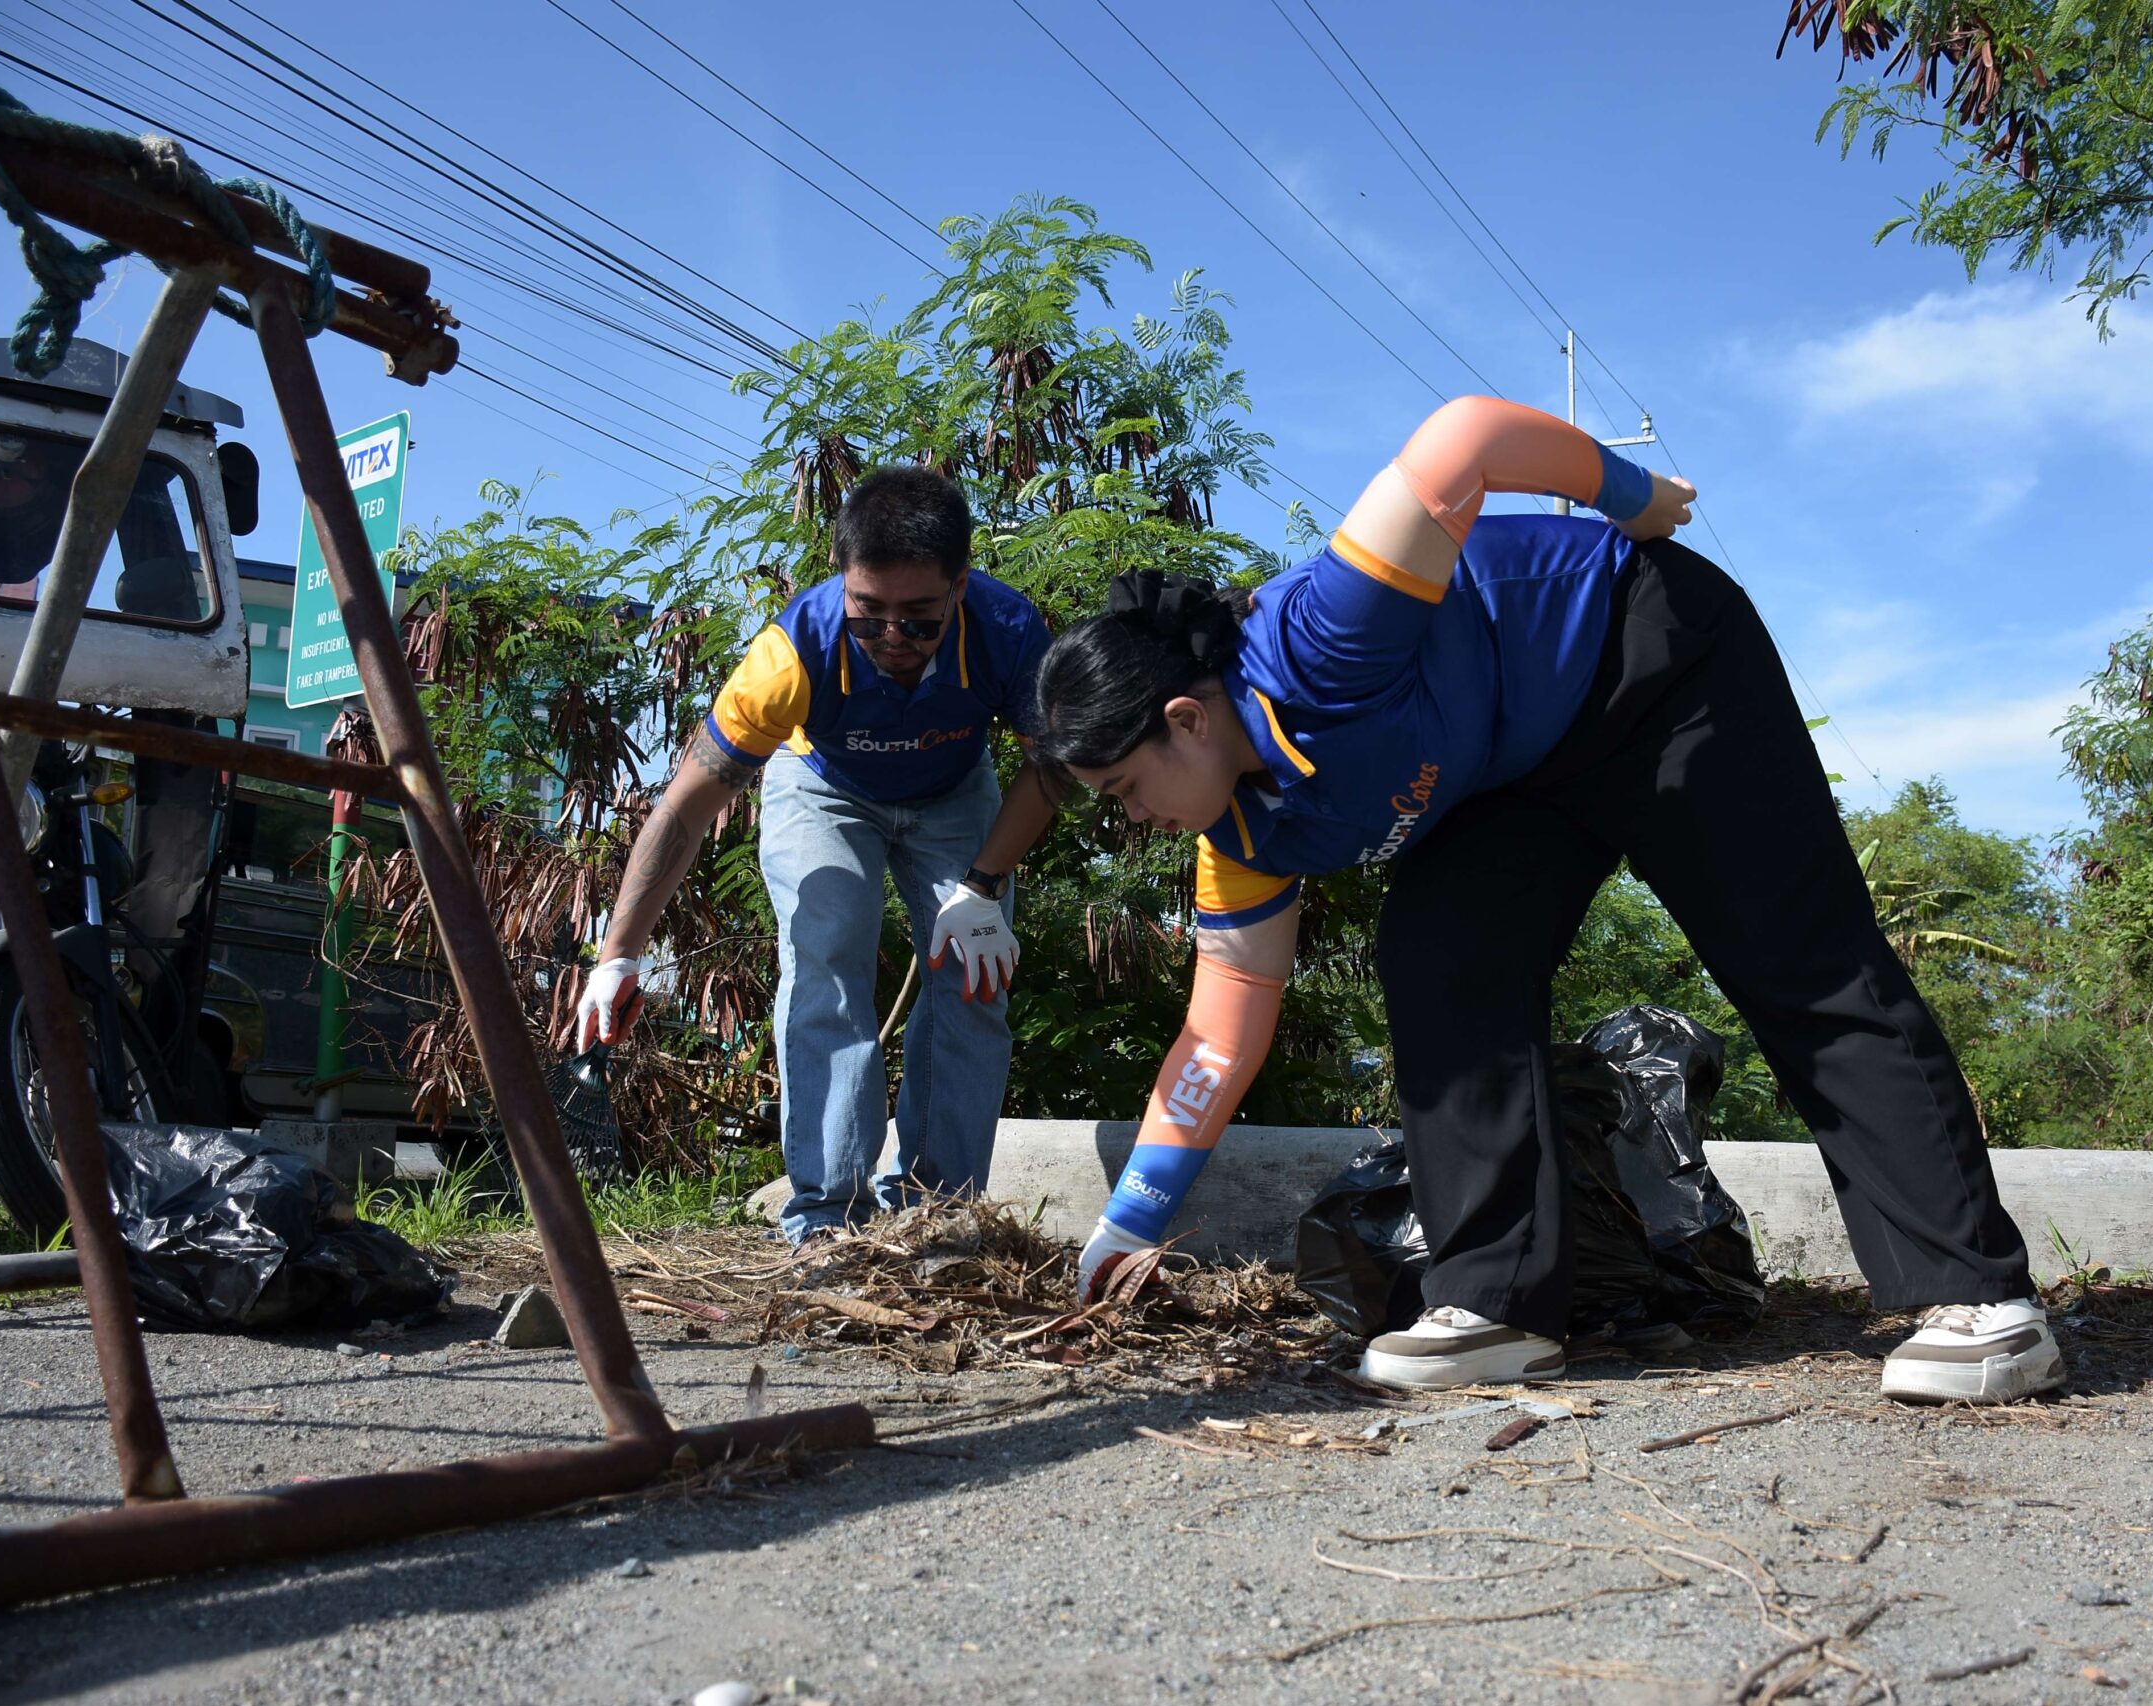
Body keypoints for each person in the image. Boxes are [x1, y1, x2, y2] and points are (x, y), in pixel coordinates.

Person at [1030, 396, 2063, 1403]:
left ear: (1184, 719)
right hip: (1520, 767)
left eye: (1125, 791)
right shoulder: (1244, 837)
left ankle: (1980, 1299)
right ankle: (1496, 1304)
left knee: (1792, 953)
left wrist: (1633, 494)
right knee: (1441, 952)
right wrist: (1131, 1221)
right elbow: (1216, 1042)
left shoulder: (1317, 639)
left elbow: (1463, 440)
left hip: (1653, 663)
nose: (1134, 824)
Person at [574, 467, 1059, 1244]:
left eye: (919, 618)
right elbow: (684, 809)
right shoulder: (790, 655)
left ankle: (938, 1214)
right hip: (825, 785)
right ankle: (826, 1213)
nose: (892, 637)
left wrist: (980, 887)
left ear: (959, 588)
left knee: (976, 973)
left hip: (954, 791)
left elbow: (1053, 767)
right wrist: (617, 956)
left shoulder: (1008, 632)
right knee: (828, 951)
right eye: (869, 613)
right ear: (842, 581)